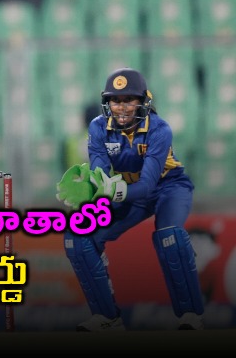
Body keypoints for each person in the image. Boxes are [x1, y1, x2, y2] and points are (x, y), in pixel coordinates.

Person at [56, 68, 205, 331]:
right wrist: (90, 192)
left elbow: (147, 184)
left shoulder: (160, 129)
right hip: (126, 188)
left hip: (168, 187)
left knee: (169, 235)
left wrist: (113, 191)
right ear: (107, 102)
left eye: (128, 100)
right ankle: (107, 318)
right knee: (77, 237)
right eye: (115, 100)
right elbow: (100, 171)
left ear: (143, 101)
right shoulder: (98, 127)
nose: (122, 107)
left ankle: (191, 317)